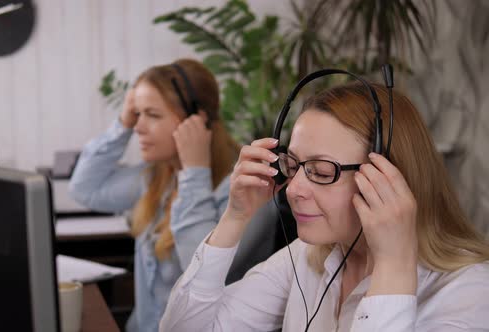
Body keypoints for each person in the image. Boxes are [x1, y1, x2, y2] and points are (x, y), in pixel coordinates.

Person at [159, 81, 489, 331]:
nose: (294, 189)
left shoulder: (470, 292)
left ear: (390, 179)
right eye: (293, 164)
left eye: (320, 171)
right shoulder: (310, 255)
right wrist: (235, 216)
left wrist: (393, 264)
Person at [69, 59, 278, 332]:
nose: (138, 127)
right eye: (137, 114)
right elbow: (85, 188)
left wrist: (195, 172)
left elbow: (200, 271)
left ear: (196, 121)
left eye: (152, 115)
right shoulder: (158, 178)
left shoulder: (250, 191)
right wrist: (122, 123)